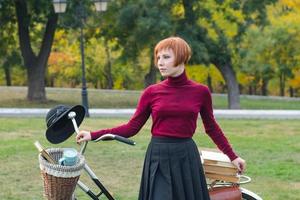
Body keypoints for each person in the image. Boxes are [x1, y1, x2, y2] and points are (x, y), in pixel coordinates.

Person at [76, 36, 246, 200]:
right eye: (158, 58)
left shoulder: (200, 92)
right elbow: (131, 128)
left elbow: (212, 128)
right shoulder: (152, 92)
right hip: (159, 156)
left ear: (181, 58)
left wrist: (233, 156)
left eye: (166, 57)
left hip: (186, 156)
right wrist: (93, 135)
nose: (160, 63)